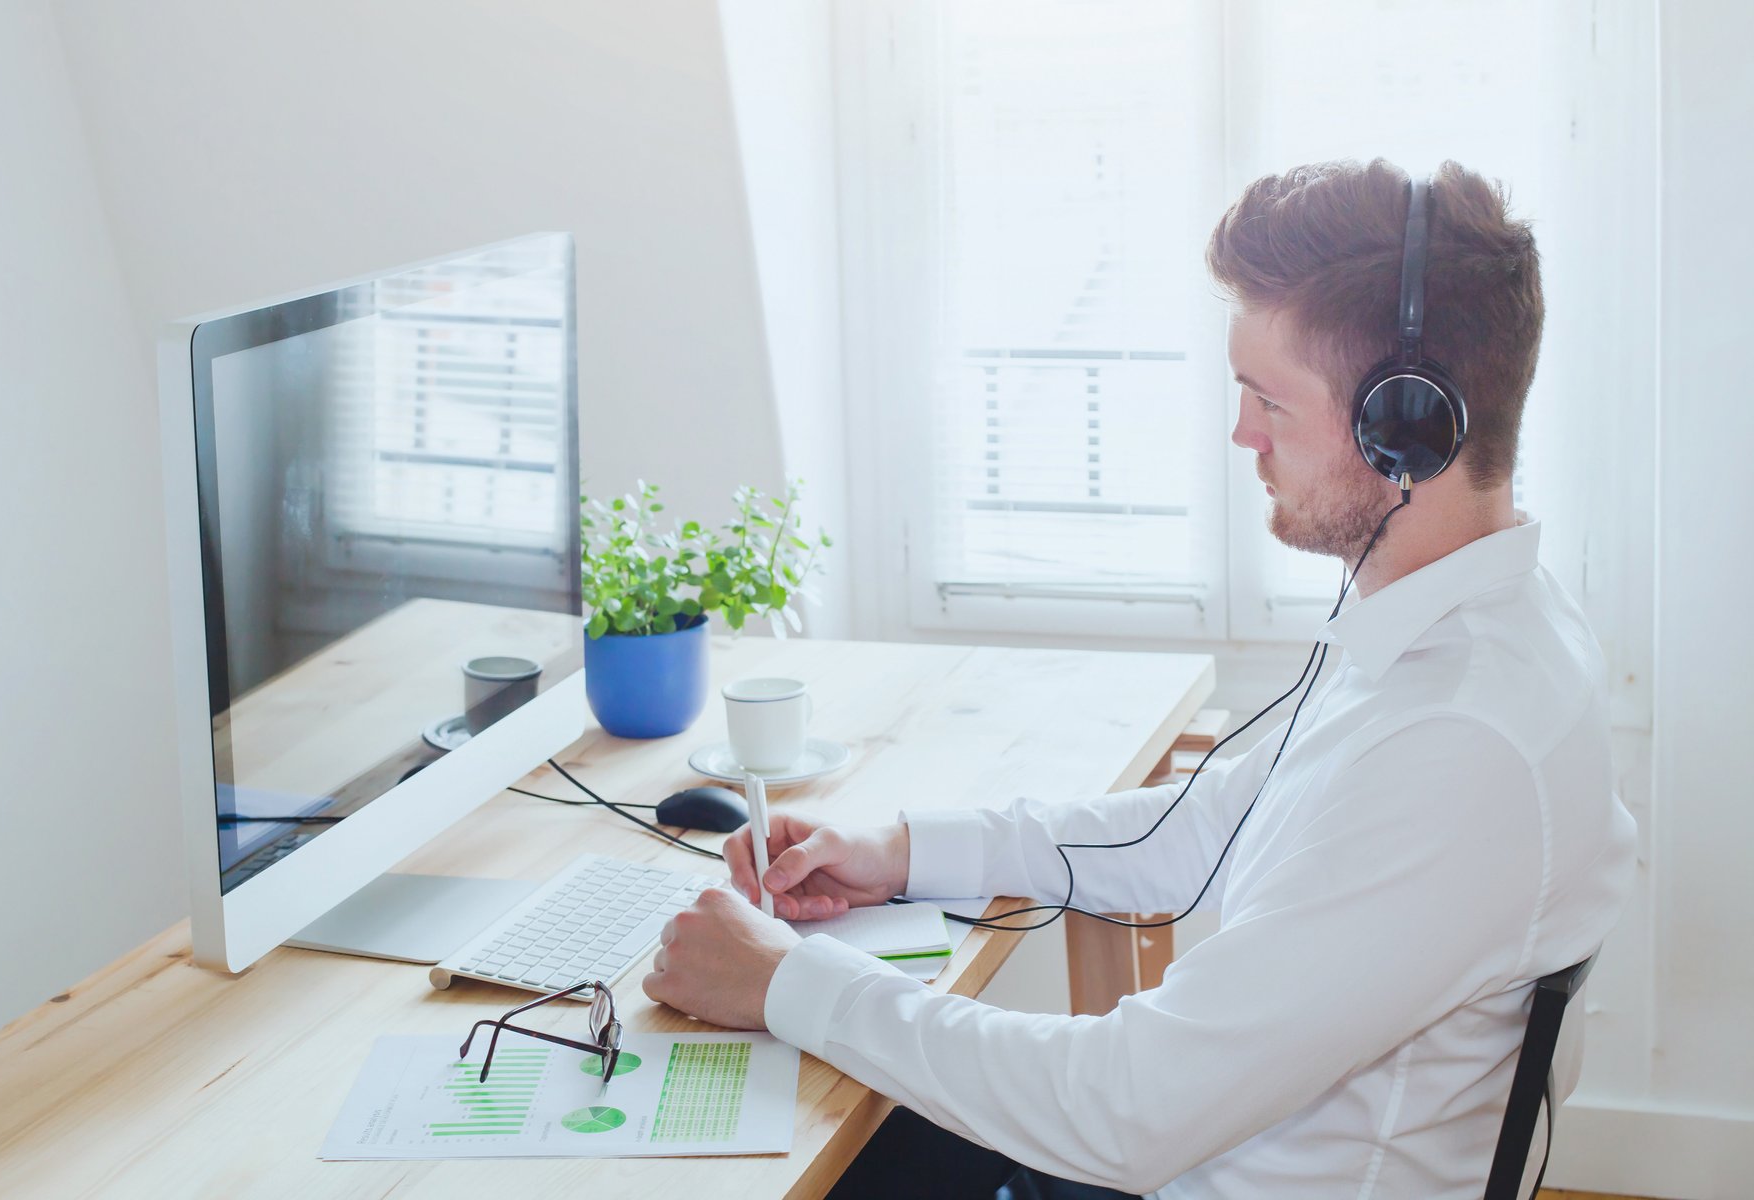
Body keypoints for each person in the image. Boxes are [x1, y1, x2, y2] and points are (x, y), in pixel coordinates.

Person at [640, 158, 1637, 1199]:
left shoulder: (1457, 741)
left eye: (1269, 402)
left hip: (1186, 1169)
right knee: (850, 1110)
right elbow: (1202, 833)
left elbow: (1122, 1113)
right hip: (1200, 1157)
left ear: (1405, 429)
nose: (1242, 434)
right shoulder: (1463, 636)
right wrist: (904, 852)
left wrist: (786, 982)